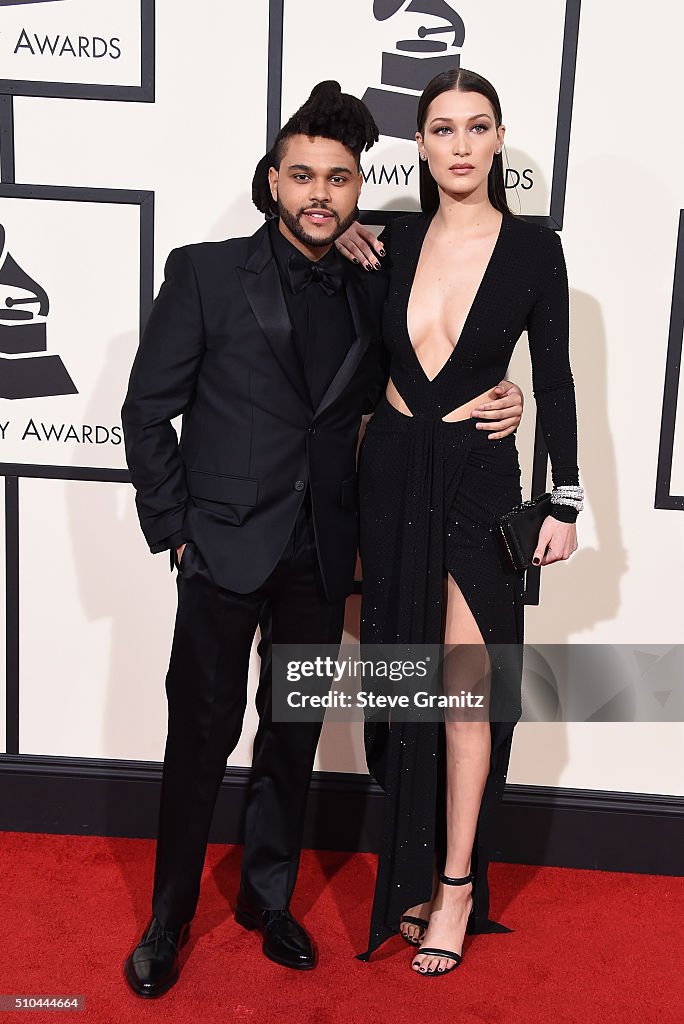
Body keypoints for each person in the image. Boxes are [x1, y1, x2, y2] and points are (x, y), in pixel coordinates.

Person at [121, 79, 524, 996]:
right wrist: (178, 531)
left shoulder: (375, 285)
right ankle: (169, 917)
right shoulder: (204, 271)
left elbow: (430, 371)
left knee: (291, 736)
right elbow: (147, 414)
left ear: (357, 188)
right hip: (221, 550)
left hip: (320, 553)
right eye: (301, 175)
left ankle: (268, 900)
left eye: (338, 179)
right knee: (199, 740)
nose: (319, 194)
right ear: (271, 182)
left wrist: (508, 393)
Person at [336, 67, 582, 976]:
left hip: (480, 475)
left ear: (499, 138)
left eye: (478, 128)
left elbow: (551, 378)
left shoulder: (531, 250)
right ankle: (409, 867)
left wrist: (565, 497)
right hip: (393, 470)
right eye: (443, 129)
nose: (462, 145)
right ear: (423, 145)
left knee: (465, 694)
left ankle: (455, 887)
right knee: (403, 685)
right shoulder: (390, 240)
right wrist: (345, 226)